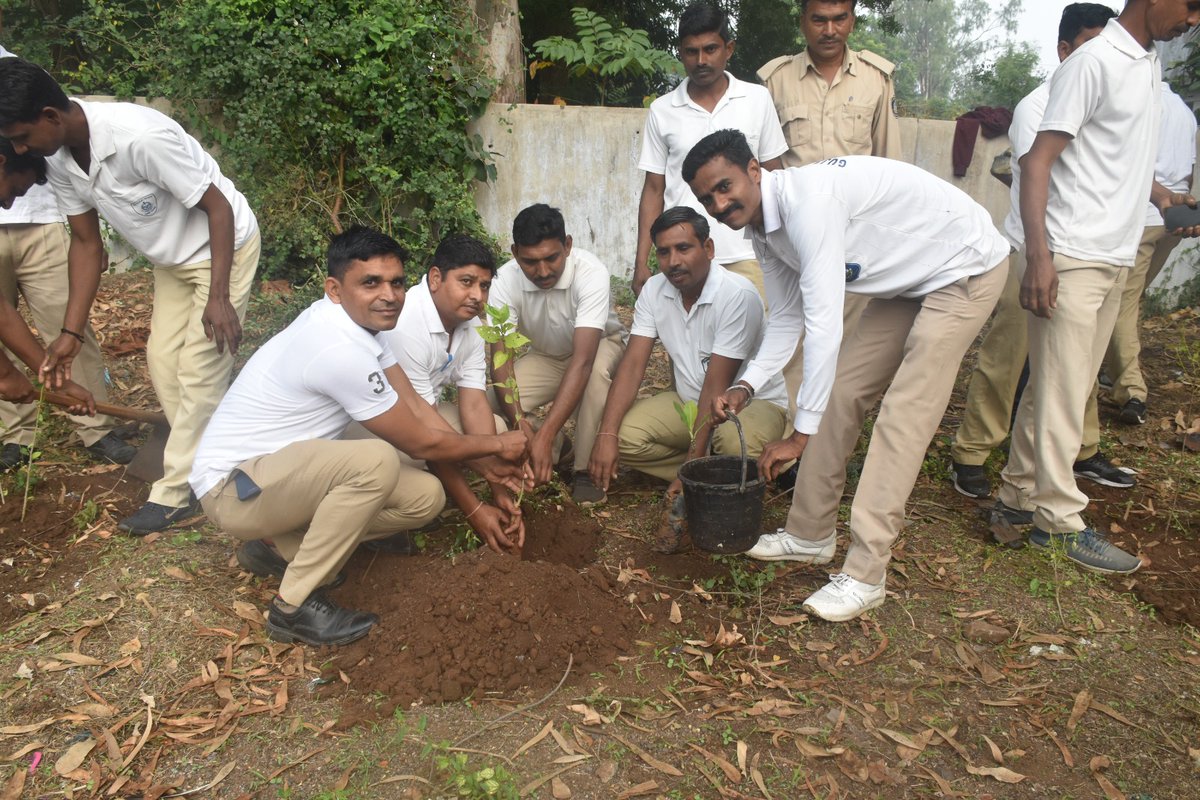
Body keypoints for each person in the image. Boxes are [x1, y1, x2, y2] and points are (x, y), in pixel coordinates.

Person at [684, 129, 1009, 622]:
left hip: (964, 267)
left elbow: (822, 326)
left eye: (725, 187)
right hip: (906, 278)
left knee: (903, 414)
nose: (719, 203)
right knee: (840, 393)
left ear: (755, 170)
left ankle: (866, 572)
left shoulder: (809, 205)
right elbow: (789, 316)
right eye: (707, 198)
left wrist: (798, 436)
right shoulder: (762, 229)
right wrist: (746, 384)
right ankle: (809, 534)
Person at [189, 227, 529, 646]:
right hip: (234, 487)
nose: (388, 294)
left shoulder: (369, 330)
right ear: (335, 288)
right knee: (376, 460)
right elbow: (420, 442)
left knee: (425, 497)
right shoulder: (337, 346)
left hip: (280, 477)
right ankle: (291, 607)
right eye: (370, 283)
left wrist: (491, 471)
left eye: (397, 282)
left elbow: (419, 410)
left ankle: (280, 547)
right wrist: (497, 446)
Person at [0, 56, 260, 536]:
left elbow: (217, 207)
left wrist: (219, 297)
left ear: (51, 117)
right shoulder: (59, 158)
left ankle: (176, 494)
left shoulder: (139, 138)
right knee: (163, 364)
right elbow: (85, 242)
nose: (19, 149)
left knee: (199, 373)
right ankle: (221, 455)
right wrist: (70, 335)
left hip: (222, 247)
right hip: (173, 260)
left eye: (21, 136)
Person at [997, 0, 1200, 575]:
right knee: (1062, 392)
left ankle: (1015, 497)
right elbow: (1038, 161)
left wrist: (1165, 198)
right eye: (1189, 6)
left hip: (1113, 253)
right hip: (1072, 254)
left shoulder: (1146, 61)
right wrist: (1040, 257)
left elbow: (1118, 156)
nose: (1192, 20)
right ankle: (1057, 522)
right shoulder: (1092, 62)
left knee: (1063, 386)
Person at [950, 4, 1130, 502]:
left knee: (1075, 367)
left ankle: (1081, 449)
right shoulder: (1039, 106)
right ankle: (971, 452)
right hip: (1032, 251)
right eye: (1091, 47)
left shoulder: (1108, 95)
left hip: (1086, 251)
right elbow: (1039, 180)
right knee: (1006, 358)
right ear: (1064, 51)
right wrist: (1040, 258)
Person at [588, 207, 788, 552]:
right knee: (623, 437)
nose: (672, 261)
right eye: (663, 252)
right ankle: (712, 475)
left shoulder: (736, 295)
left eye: (684, 248)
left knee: (730, 443)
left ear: (709, 249)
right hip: (688, 401)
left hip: (750, 405)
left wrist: (689, 466)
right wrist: (605, 434)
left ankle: (712, 467)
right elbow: (634, 364)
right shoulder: (654, 290)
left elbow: (718, 384)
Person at [756, 0, 902, 434]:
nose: (829, 29)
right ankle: (793, 446)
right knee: (799, 340)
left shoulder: (877, 81)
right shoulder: (775, 81)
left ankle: (831, 442)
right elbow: (766, 165)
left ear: (852, 21)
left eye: (839, 19)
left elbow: (889, 164)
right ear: (803, 22)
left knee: (847, 344)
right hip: (796, 238)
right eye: (819, 19)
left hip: (855, 239)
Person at [0, 49, 133, 471]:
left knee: (66, 326)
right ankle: (16, 436)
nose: (6, 204)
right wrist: (6, 376)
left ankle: (98, 427)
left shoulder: (16, 74)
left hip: (43, 225)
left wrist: (41, 368)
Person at [373, 232, 517, 552]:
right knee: (427, 492)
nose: (477, 295)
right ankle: (374, 518)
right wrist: (475, 510)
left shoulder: (472, 325)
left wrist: (499, 488)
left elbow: (475, 403)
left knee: (497, 428)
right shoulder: (407, 322)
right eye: (466, 282)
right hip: (372, 424)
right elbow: (423, 430)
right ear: (436, 278)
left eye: (484, 285)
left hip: (420, 411)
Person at [633, 2, 787, 298]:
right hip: (688, 257)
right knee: (692, 343)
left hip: (750, 253)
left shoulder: (757, 99)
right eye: (692, 51)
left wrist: (784, 248)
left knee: (762, 340)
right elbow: (653, 190)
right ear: (681, 52)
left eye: (710, 49)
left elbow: (773, 176)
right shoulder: (662, 110)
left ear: (728, 49)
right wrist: (642, 262)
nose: (701, 60)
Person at [489, 204, 626, 505]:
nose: (543, 271)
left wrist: (547, 431)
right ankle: (556, 449)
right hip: (547, 355)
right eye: (530, 262)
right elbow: (501, 359)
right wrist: (521, 425)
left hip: (600, 346)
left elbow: (583, 361)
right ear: (514, 253)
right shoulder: (503, 280)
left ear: (567, 245)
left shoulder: (591, 273)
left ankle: (584, 470)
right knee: (492, 401)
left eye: (551, 258)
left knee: (594, 377)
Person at [1102, 80, 1196, 426]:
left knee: (1121, 303)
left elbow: (1126, 164)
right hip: (1172, 221)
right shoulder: (1186, 114)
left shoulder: (1141, 104)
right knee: (1132, 297)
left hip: (1140, 216)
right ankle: (1115, 370)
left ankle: (1132, 391)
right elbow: (1187, 172)